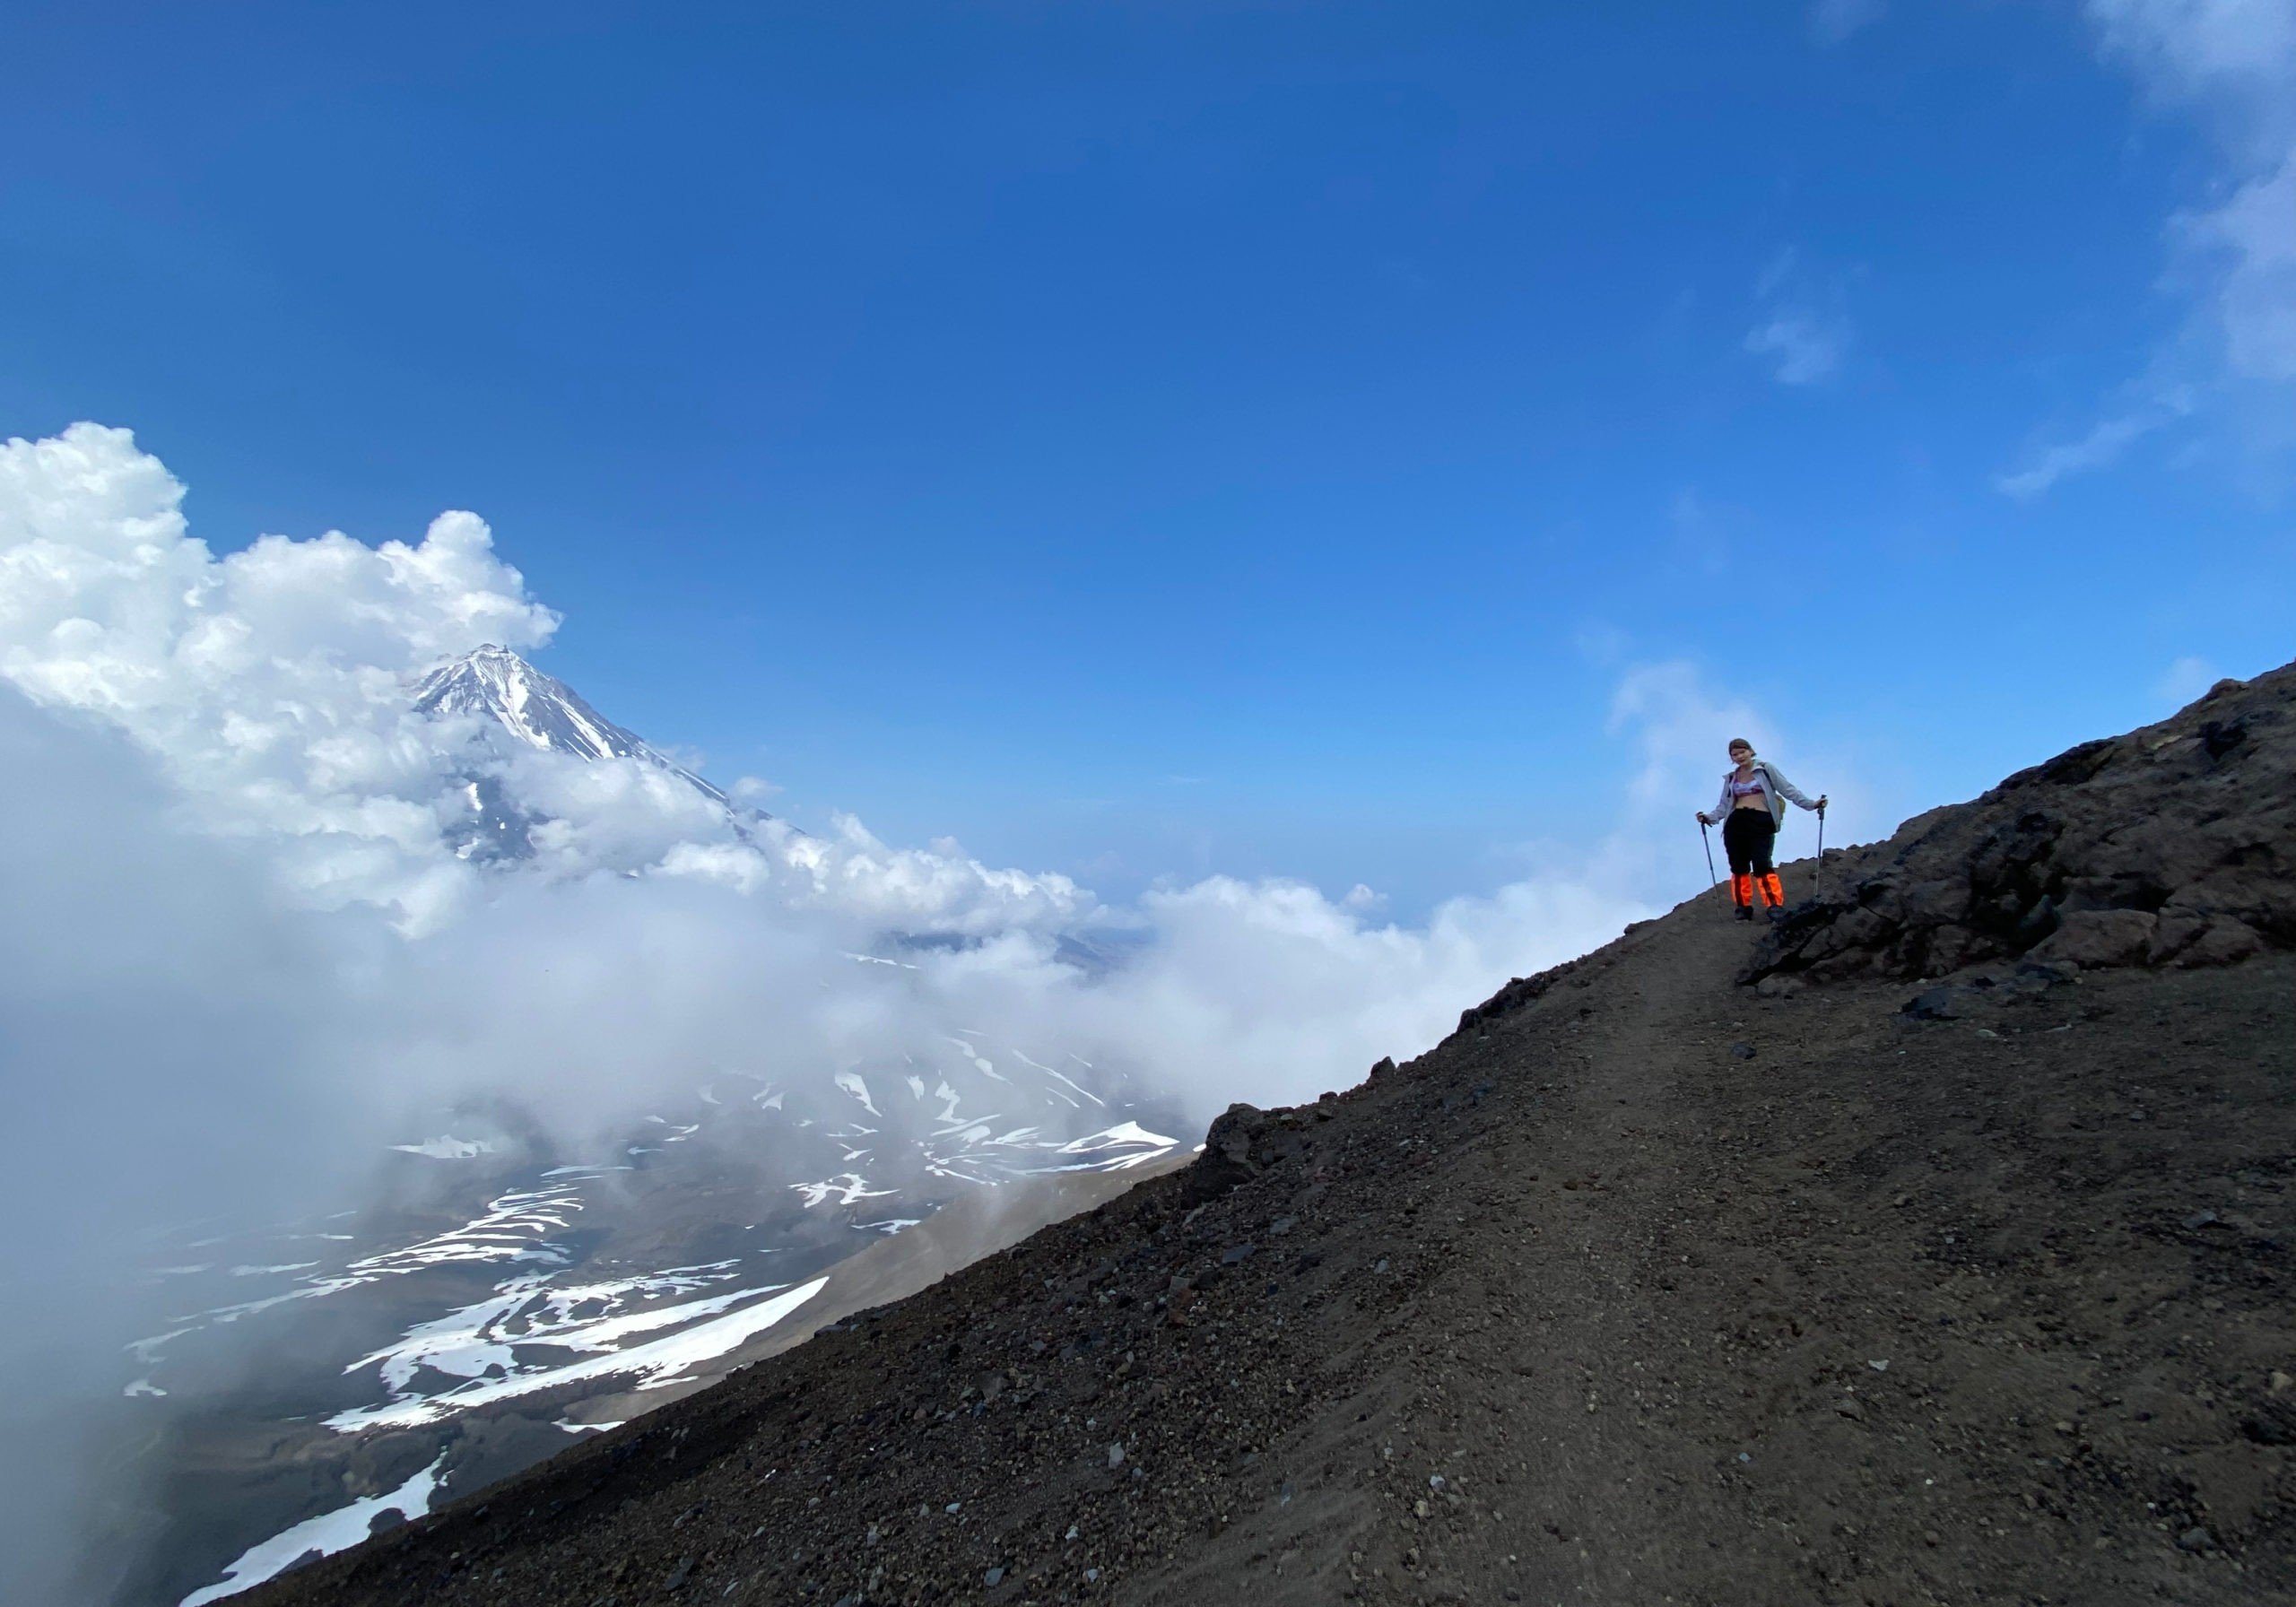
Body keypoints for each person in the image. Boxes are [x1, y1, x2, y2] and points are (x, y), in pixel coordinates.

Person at [1697, 739, 1826, 921]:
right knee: (1738, 865)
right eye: (1735, 754)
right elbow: (1724, 805)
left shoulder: (1765, 769)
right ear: (1731, 758)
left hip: (1761, 820)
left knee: (1761, 863)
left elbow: (1787, 790)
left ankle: (1774, 905)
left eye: (1742, 752)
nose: (1739, 757)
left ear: (1751, 751)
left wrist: (1811, 804)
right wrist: (1709, 818)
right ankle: (1743, 907)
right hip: (1736, 822)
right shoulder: (1732, 778)